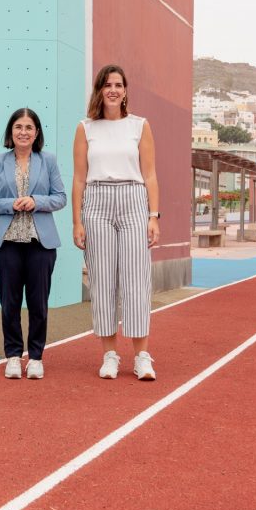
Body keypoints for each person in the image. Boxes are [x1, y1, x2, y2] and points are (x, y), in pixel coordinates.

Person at [72, 64, 160, 381]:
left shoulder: (139, 126)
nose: (113, 90)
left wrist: (153, 216)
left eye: (118, 85)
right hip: (96, 201)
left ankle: (141, 357)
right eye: (107, 84)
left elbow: (150, 174)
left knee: (137, 279)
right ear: (99, 90)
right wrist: (77, 222)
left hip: (133, 199)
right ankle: (110, 355)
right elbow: (79, 179)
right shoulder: (85, 128)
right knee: (102, 279)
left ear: (125, 91)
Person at [0, 108, 66, 380]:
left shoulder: (48, 161)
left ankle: (37, 357)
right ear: (11, 131)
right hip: (6, 243)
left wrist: (36, 201)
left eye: (29, 127)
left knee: (39, 303)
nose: (23, 132)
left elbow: (60, 197)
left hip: (41, 242)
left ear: (37, 132)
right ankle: (14, 356)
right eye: (18, 127)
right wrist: (11, 204)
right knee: (10, 302)